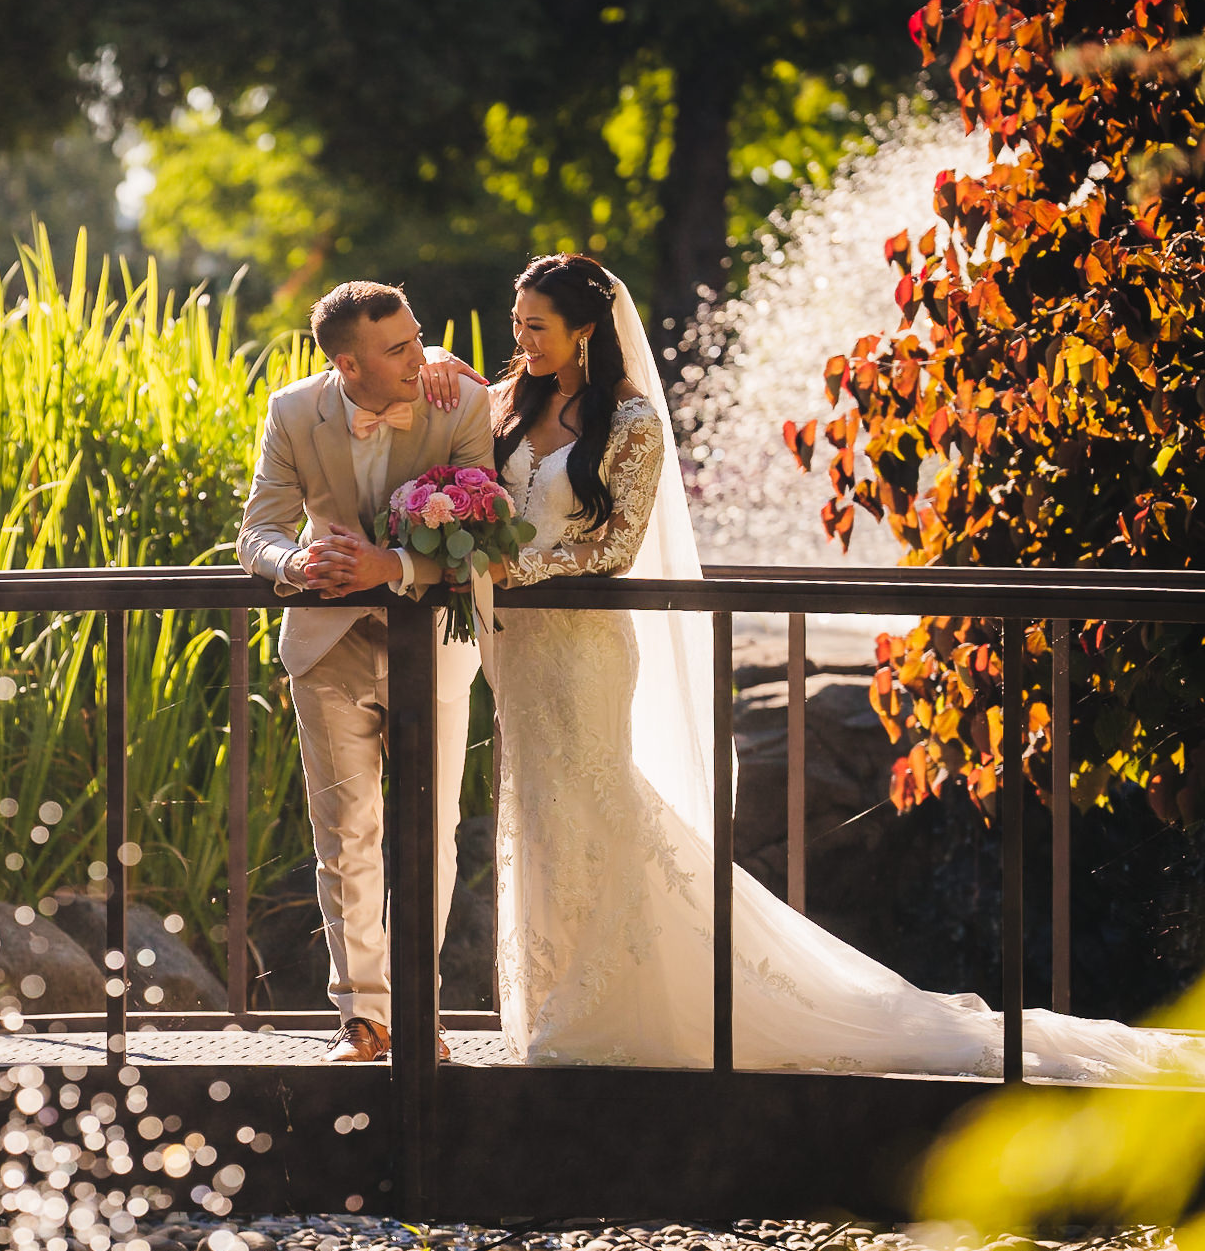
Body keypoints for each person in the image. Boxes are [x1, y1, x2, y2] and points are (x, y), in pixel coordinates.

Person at [419, 252, 1196, 1080]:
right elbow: (450, 417)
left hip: (584, 652)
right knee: (536, 812)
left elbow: (612, 546)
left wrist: (511, 570)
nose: (522, 339)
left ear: (585, 331)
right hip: (519, 655)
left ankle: (612, 1006)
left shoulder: (633, 423)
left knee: (593, 799)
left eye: (537, 326)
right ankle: (554, 1000)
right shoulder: (507, 402)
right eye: (516, 325)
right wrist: (434, 365)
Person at [236, 281, 491, 1063]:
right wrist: (300, 564)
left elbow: (488, 540)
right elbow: (257, 534)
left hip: (434, 644)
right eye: (398, 347)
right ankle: (362, 1019)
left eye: (421, 338)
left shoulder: (458, 402)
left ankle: (421, 1013)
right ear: (347, 364)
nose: (419, 355)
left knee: (431, 834)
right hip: (327, 644)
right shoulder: (291, 410)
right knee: (345, 835)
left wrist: (395, 565)